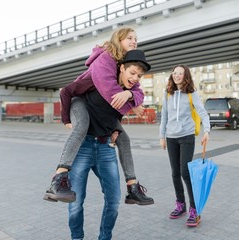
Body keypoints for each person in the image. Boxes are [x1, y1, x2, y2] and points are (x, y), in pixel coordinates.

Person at [43, 26, 153, 205]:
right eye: (129, 38)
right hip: (79, 99)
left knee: (124, 139)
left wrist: (130, 95)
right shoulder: (106, 59)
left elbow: (136, 94)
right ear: (119, 40)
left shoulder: (124, 66)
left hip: (100, 108)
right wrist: (66, 119)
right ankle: (57, 180)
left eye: (136, 38)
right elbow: (110, 94)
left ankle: (133, 188)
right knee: (81, 127)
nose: (134, 41)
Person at [68, 49, 151, 240]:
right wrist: (68, 117)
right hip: (83, 147)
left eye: (138, 75)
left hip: (106, 148)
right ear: (120, 68)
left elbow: (127, 104)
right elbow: (71, 93)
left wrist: (130, 97)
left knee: (113, 202)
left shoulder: (127, 92)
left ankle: (105, 237)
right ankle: (76, 238)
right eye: (132, 73)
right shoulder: (100, 80)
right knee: (75, 202)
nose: (135, 78)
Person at [159, 64, 210, 227]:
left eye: (180, 73)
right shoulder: (168, 93)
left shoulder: (191, 93)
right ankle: (180, 205)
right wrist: (162, 136)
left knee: (185, 173)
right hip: (171, 137)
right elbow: (164, 116)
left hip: (187, 136)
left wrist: (207, 131)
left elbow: (202, 112)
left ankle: (194, 209)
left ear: (185, 76)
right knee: (175, 173)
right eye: (174, 73)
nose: (177, 76)